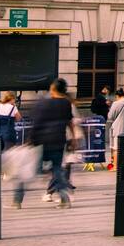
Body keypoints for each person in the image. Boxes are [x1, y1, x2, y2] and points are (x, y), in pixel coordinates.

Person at [30, 78, 75, 207]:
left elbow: (37, 123)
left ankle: (18, 198)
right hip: (60, 140)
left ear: (53, 89)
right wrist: (74, 138)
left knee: (36, 168)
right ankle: (62, 196)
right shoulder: (66, 103)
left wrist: (32, 140)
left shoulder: (45, 103)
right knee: (56, 168)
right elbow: (70, 122)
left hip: (45, 140)